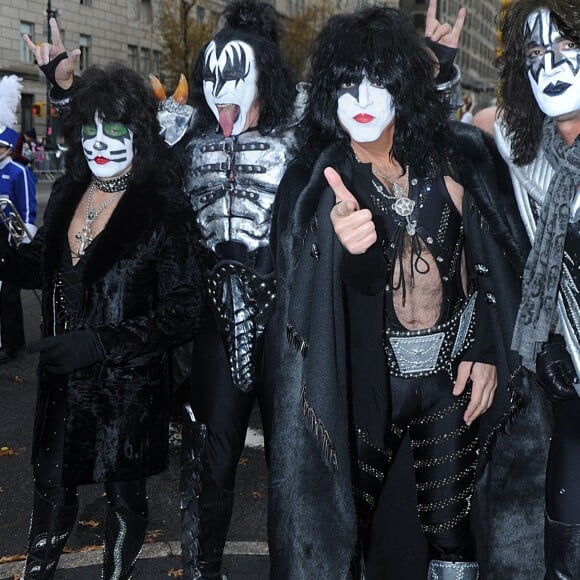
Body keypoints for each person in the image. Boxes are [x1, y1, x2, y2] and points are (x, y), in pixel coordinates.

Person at [268, 5, 531, 579]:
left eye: (378, 79)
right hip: (364, 386)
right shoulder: (316, 182)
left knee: (453, 534)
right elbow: (301, 300)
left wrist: (488, 348)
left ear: (404, 85)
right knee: (341, 527)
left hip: (449, 385)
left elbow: (496, 265)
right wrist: (338, 248)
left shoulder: (459, 157)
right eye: (345, 82)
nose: (360, 96)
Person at [0, 60, 203, 578]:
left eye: (114, 129)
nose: (99, 141)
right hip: (61, 380)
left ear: (138, 133)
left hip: (125, 391)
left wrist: (100, 344)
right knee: (49, 490)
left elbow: (184, 310)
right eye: (89, 128)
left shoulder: (163, 207)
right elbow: (43, 267)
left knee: (124, 501)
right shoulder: (69, 193)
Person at [176, 2, 298, 577]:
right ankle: (203, 567)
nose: (221, 90)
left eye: (236, 75)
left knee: (293, 464)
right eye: (213, 76)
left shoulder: (300, 140)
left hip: (284, 326)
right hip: (213, 325)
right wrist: (67, 90)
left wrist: (439, 72)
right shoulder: (190, 141)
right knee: (209, 460)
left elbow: (393, 140)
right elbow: (116, 173)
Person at [492, 0, 580, 576]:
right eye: (535, 53)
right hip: (567, 368)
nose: (550, 65)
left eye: (565, 47)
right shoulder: (526, 155)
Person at [0, 75, 37, 364]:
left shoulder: (19, 172)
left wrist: (26, 237)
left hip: (10, 237)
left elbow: (27, 209)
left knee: (9, 292)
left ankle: (12, 343)